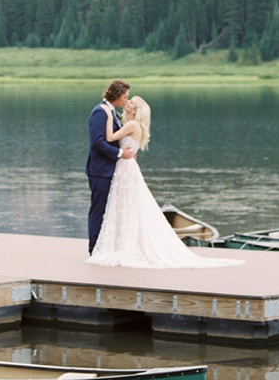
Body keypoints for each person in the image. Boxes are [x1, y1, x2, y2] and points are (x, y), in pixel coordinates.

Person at [88, 93, 213, 269]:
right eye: (127, 99)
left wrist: (108, 116)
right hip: (128, 167)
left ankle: (117, 246)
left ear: (135, 110)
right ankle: (122, 244)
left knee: (123, 206)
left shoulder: (131, 124)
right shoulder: (133, 125)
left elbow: (109, 138)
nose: (127, 101)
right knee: (127, 206)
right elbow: (134, 152)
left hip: (124, 167)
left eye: (131, 101)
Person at [85, 80, 131, 253]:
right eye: (125, 97)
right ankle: (94, 249)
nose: (126, 100)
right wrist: (120, 153)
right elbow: (97, 142)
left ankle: (107, 247)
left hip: (112, 170)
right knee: (98, 210)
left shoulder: (113, 113)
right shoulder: (99, 112)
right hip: (100, 171)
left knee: (110, 211)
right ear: (117, 96)